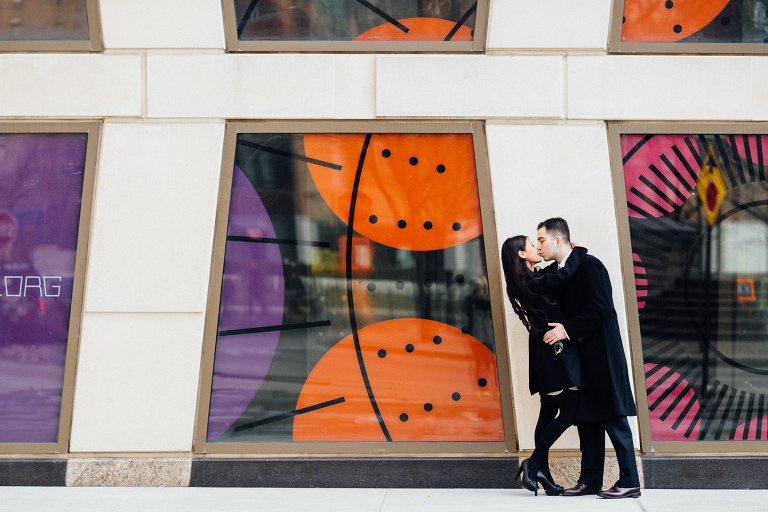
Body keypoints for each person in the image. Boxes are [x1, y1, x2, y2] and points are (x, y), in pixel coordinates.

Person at [537, 217, 641, 499]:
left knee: (614, 417)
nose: (539, 246)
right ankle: (590, 480)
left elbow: (601, 308)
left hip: (603, 354)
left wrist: (566, 331)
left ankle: (630, 481)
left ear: (559, 240)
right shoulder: (562, 272)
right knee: (587, 420)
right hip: (581, 357)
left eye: (542, 240)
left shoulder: (590, 264)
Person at [501, 235, 587, 496]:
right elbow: (561, 276)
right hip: (553, 352)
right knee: (571, 410)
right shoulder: (530, 281)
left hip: (547, 351)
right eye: (531, 243)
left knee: (548, 412)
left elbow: (552, 272)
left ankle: (544, 475)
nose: (538, 247)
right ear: (521, 255)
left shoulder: (528, 280)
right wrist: (577, 250)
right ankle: (534, 462)